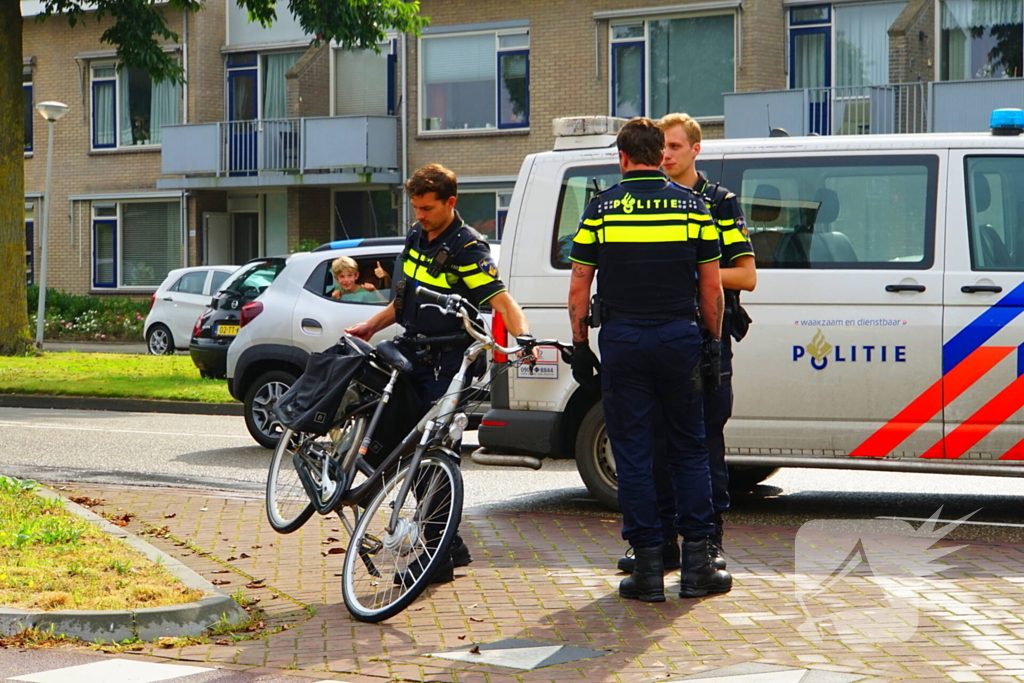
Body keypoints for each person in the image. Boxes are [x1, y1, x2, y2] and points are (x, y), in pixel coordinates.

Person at [568, 117, 732, 602]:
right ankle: (699, 566)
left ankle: (647, 569)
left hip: (623, 341)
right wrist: (713, 344)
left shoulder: (600, 209)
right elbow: (711, 287)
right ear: (661, 154)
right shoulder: (694, 206)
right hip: (679, 338)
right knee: (689, 449)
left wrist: (580, 345)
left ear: (621, 158)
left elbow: (580, 285)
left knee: (635, 455)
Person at [346, 163, 534, 583]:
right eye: (415, 207)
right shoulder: (416, 235)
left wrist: (525, 338)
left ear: (451, 202)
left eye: (428, 208)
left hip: (450, 366)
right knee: (396, 448)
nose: (420, 215)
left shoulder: (468, 248)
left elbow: (503, 302)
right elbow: (403, 302)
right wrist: (370, 326)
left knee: (434, 458)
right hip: (413, 356)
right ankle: (450, 542)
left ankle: (440, 558)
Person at [616, 113, 757, 576]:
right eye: (664, 147)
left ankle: (707, 542)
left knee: (703, 444)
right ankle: (657, 545)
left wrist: (697, 274)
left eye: (676, 146)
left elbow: (747, 275)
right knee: (651, 447)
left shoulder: (717, 202)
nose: (668, 154)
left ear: (695, 150)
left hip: (705, 339)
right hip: (663, 336)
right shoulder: (639, 201)